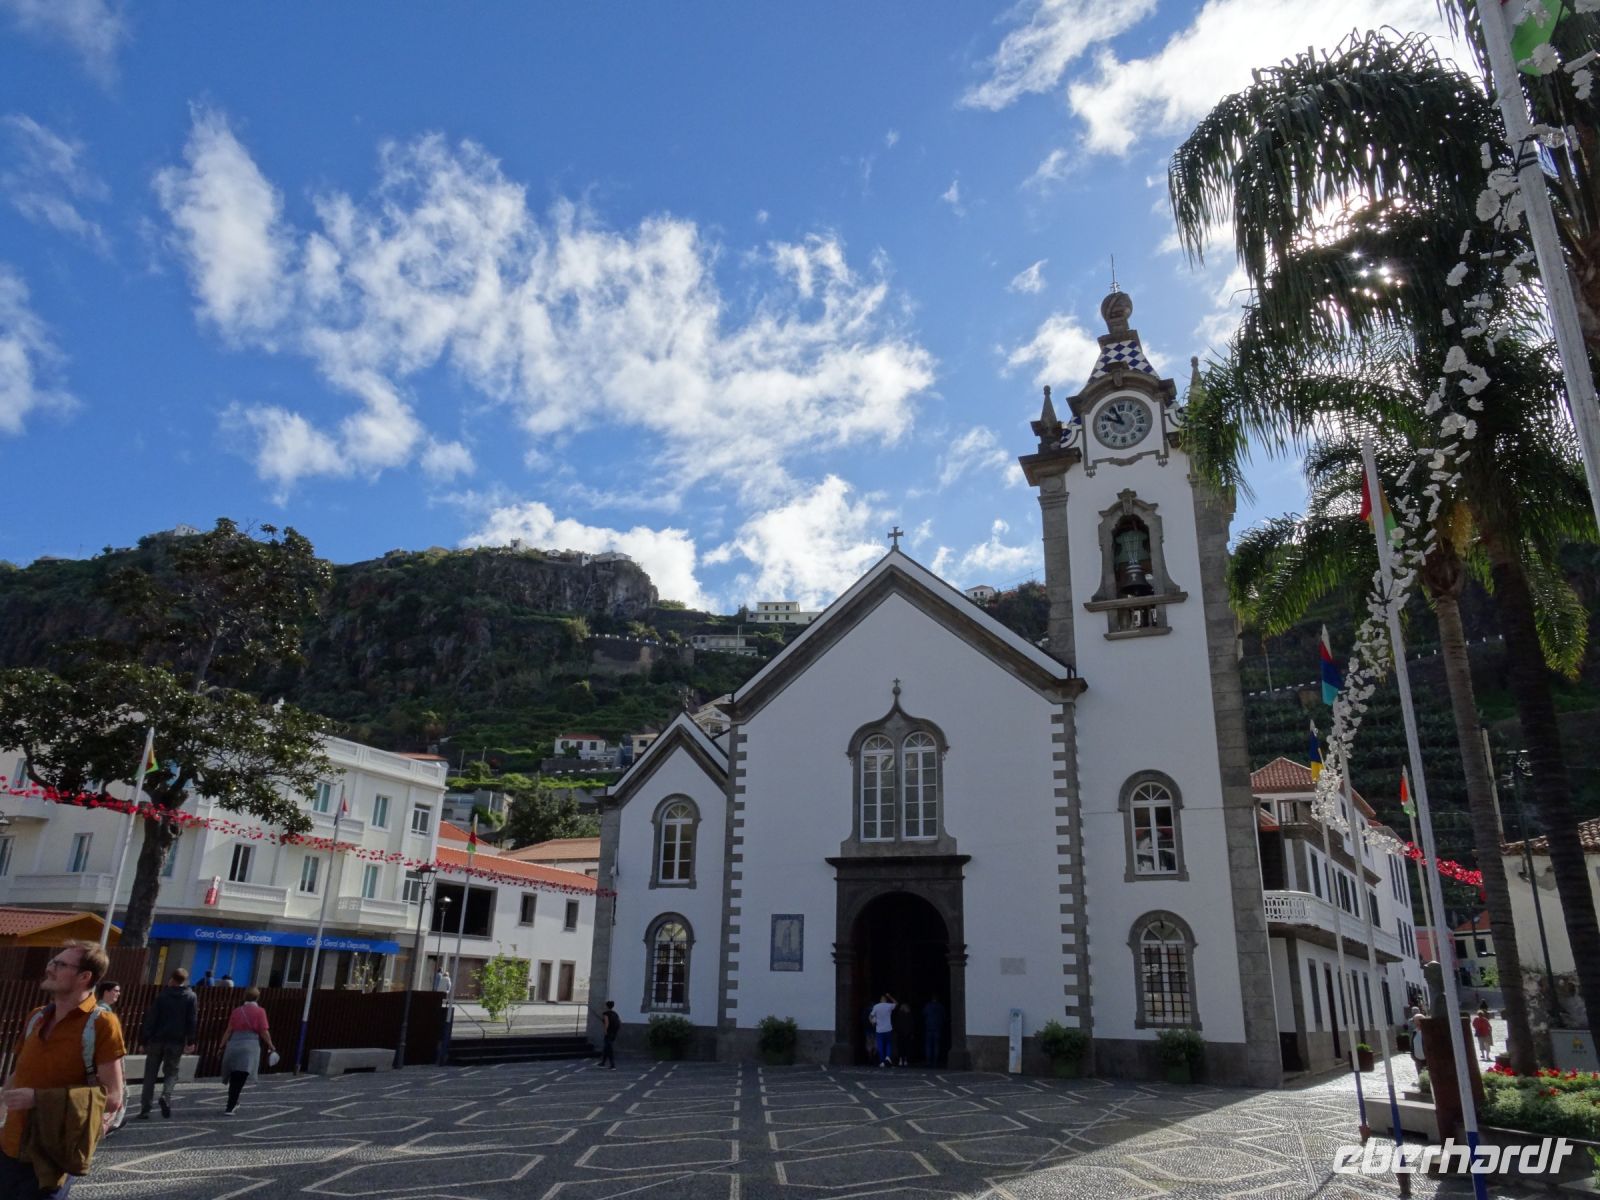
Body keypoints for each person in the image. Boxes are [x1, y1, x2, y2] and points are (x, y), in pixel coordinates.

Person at [0, 941, 125, 1198]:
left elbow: (112, 1097)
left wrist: (39, 1099)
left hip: (52, 1155)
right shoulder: (36, 1016)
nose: (50, 969)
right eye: (52, 962)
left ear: (84, 977)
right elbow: (19, 1074)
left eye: (60, 965)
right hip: (8, 1148)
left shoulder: (102, 1024)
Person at [138, 969, 197, 1121]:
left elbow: (151, 1019)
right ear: (185, 980)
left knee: (150, 1075)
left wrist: (144, 1040)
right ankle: (166, 1095)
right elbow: (191, 1020)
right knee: (171, 1072)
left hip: (157, 1040)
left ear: (172, 979)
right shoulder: (190, 996)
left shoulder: (162, 995)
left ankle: (145, 1109)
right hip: (176, 1040)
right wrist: (190, 1041)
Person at [219, 988, 277, 1116]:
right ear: (257, 998)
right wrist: (271, 1045)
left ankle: (232, 1101)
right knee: (241, 1075)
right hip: (249, 1045)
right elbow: (263, 1031)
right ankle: (231, 1105)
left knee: (234, 1076)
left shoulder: (237, 1011)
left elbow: (229, 1030)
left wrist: (222, 1046)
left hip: (234, 1043)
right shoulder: (260, 1011)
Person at [90, 985, 124, 1134]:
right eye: (115, 990)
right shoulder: (103, 1013)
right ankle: (106, 1125)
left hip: (102, 1059)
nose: (118, 994)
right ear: (106, 992)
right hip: (102, 1060)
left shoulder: (103, 1010)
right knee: (115, 1093)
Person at [868, 993, 896, 1068]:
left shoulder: (876, 1006)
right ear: (886, 1000)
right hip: (888, 1029)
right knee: (888, 1044)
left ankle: (882, 1061)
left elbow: (871, 1016)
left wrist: (872, 1022)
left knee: (880, 1046)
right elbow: (896, 1003)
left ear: (880, 1000)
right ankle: (887, 1057)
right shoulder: (889, 1005)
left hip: (879, 1030)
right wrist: (890, 996)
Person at [921, 996, 946, 1069]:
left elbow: (923, 1014)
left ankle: (928, 1061)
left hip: (929, 1027)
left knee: (928, 1045)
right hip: (937, 1027)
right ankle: (935, 1062)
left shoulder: (928, 1006)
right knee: (936, 1045)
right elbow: (944, 1016)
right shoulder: (940, 1006)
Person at [596, 1001, 620, 1070]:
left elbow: (606, 1023)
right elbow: (619, 1022)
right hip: (614, 1032)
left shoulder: (606, 1014)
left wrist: (605, 1031)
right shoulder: (615, 1014)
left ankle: (613, 1065)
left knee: (609, 1048)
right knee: (606, 1048)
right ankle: (603, 1063)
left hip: (609, 1032)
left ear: (606, 1006)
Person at [892, 1001, 912, 1067]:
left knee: (900, 1047)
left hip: (900, 1034)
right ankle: (905, 1060)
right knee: (906, 1047)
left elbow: (896, 1024)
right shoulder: (909, 1015)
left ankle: (900, 1060)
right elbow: (911, 1025)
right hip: (907, 1034)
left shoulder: (898, 1015)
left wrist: (896, 1031)